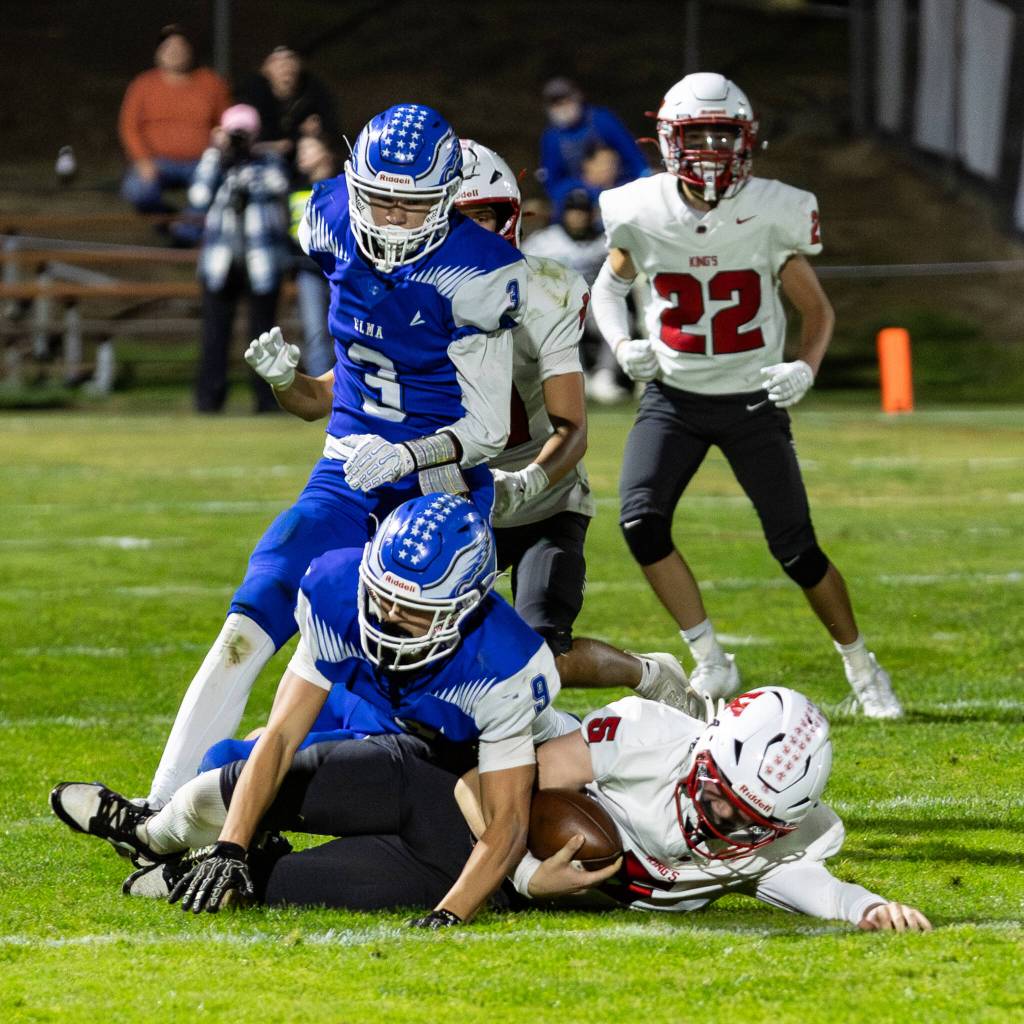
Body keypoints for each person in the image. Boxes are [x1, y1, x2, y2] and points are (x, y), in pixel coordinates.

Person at [139, 103, 524, 809]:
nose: (390, 221)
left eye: (411, 207)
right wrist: (288, 380)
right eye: (378, 200)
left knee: (419, 689)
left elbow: (491, 430)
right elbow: (328, 395)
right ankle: (160, 802)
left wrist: (406, 458)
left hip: (437, 489)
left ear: (445, 198)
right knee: (249, 617)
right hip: (345, 470)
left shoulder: (477, 272)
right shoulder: (328, 218)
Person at [51, 494, 574, 926]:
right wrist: (230, 847)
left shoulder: (504, 666)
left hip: (456, 810)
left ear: (467, 604)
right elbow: (280, 737)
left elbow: (504, 822)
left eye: (414, 609)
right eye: (381, 596)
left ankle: (212, 867)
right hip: (405, 758)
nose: (388, 617)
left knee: (277, 886)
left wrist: (451, 914)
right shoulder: (335, 592)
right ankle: (150, 834)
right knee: (225, 774)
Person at [590, 73, 902, 717]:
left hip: (752, 401)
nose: (708, 148)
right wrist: (621, 348)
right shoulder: (640, 209)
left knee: (796, 547)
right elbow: (606, 290)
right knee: (641, 521)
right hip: (673, 396)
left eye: (721, 134)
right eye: (695, 135)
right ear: (668, 140)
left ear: (746, 140)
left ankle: (863, 668)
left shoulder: (774, 208)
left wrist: (805, 369)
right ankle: (710, 658)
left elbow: (817, 312)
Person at [452, 140, 694, 711]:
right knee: (426, 647)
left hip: (544, 498)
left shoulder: (548, 288)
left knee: (541, 653)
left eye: (479, 216)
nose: (465, 234)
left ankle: (645, 673)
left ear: (508, 217)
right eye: (451, 219)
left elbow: (573, 426)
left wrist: (528, 483)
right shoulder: (406, 295)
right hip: (458, 500)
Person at [474, 686, 931, 931]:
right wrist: (525, 873)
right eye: (720, 799)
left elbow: (829, 895)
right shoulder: (643, 738)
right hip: (512, 786)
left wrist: (875, 909)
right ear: (705, 756)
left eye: (749, 824)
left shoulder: (767, 851)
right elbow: (501, 790)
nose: (722, 823)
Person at [190, 104, 292, 413]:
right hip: (221, 262)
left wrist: (248, 165)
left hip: (261, 263)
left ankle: (265, 399)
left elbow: (280, 185)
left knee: (262, 335)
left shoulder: (268, 162)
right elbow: (197, 197)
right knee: (214, 332)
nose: (238, 140)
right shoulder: (216, 163)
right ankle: (209, 399)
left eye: (243, 134)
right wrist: (216, 157)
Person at [118, 24, 230, 243]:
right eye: (168, 47)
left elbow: (227, 123)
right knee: (136, 189)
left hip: (203, 162)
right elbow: (128, 127)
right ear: (158, 53)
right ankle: (171, 222)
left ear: (190, 51)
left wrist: (222, 141)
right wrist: (142, 161)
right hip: (157, 163)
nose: (174, 52)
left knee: (216, 186)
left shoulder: (211, 83)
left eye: (180, 47)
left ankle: (184, 237)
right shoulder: (143, 84)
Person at [523, 187, 631, 404]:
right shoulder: (543, 242)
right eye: (573, 211)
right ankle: (577, 378)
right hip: (554, 307)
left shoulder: (605, 241)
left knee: (621, 318)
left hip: (592, 305)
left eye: (582, 211)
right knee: (563, 316)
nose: (578, 216)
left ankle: (604, 376)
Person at [538, 77, 649, 217]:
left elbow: (634, 157)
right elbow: (552, 184)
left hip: (621, 190)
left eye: (566, 100)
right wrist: (582, 188)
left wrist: (643, 181)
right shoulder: (551, 137)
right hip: (581, 203)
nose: (562, 107)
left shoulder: (602, 120)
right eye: (556, 103)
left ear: (577, 97)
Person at [239, 45, 340, 174]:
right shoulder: (253, 94)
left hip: (301, 160)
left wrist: (318, 134)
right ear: (265, 69)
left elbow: (331, 130)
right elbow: (250, 141)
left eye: (290, 60)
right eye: (277, 62)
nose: (285, 67)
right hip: (262, 162)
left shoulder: (313, 90)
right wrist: (294, 136)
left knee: (320, 158)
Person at [287, 134, 340, 376]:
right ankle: (323, 399)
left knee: (347, 330)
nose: (302, 156)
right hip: (309, 270)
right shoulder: (294, 188)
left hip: (341, 270)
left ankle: (348, 392)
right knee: (315, 332)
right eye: (301, 151)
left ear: (325, 154)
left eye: (309, 149)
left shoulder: (343, 188)